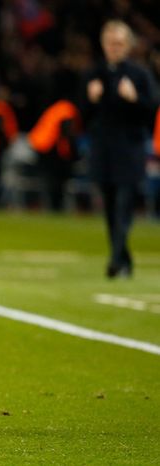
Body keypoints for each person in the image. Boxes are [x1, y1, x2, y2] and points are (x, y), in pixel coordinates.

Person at [82, 20, 158, 278]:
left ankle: (115, 260)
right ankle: (122, 257)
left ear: (128, 46)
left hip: (130, 147)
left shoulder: (139, 74)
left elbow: (151, 110)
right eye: (111, 43)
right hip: (103, 147)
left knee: (124, 203)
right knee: (110, 204)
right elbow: (81, 114)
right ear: (104, 45)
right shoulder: (94, 74)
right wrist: (90, 99)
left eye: (120, 43)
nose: (115, 48)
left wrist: (135, 98)